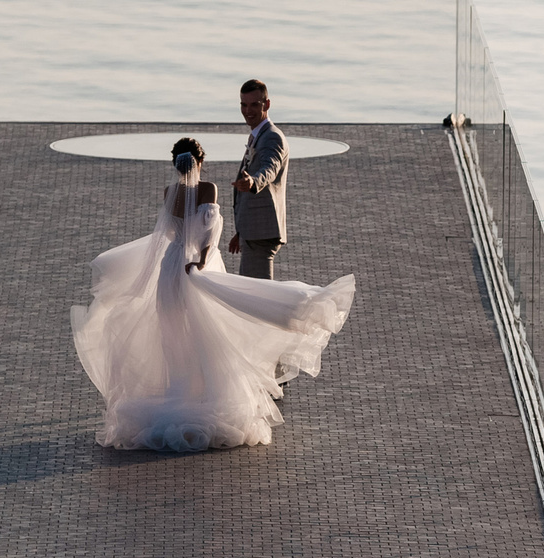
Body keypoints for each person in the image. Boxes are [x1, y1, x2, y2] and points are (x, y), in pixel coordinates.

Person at [71, 135, 355, 452]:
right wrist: (203, 260)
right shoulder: (208, 190)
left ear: (175, 164)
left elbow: (165, 235)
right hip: (195, 266)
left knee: (173, 333)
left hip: (169, 269)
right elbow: (210, 232)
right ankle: (205, 396)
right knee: (206, 331)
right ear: (200, 162)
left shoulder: (169, 193)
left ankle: (177, 391)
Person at [226, 78, 286, 278]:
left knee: (258, 297)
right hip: (253, 232)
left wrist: (253, 182)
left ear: (267, 104)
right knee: (252, 295)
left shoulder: (272, 137)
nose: (247, 111)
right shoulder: (257, 136)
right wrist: (241, 232)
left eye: (254, 104)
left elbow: (270, 168)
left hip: (262, 233)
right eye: (243, 105)